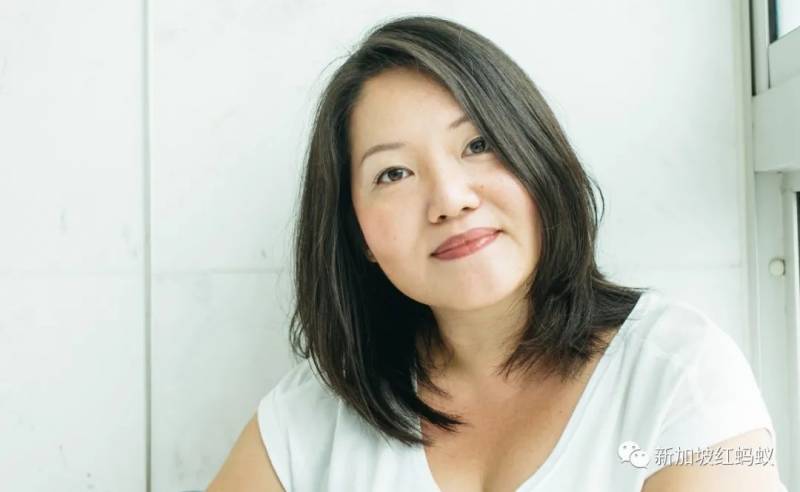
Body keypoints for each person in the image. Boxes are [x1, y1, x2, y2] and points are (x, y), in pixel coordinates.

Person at [208, 15, 787, 491]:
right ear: (357, 233)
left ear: (536, 155)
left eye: (477, 144)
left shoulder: (680, 373)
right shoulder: (312, 418)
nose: (449, 199)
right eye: (394, 173)